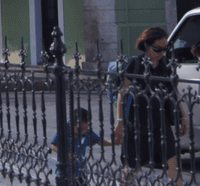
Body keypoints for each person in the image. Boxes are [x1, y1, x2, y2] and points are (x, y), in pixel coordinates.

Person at [115, 26, 188, 184]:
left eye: (165, 49)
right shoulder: (134, 64)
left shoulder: (165, 65)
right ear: (147, 46)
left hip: (160, 121)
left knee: (174, 161)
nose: (162, 53)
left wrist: (183, 115)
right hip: (138, 122)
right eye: (157, 49)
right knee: (134, 167)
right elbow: (122, 93)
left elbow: (173, 92)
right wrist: (120, 122)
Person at [50, 107, 112, 183]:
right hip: (64, 173)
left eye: (86, 127)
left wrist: (114, 142)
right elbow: (54, 145)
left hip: (80, 173)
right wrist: (65, 154)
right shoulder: (64, 129)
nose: (84, 131)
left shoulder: (87, 131)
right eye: (81, 128)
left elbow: (100, 141)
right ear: (71, 124)